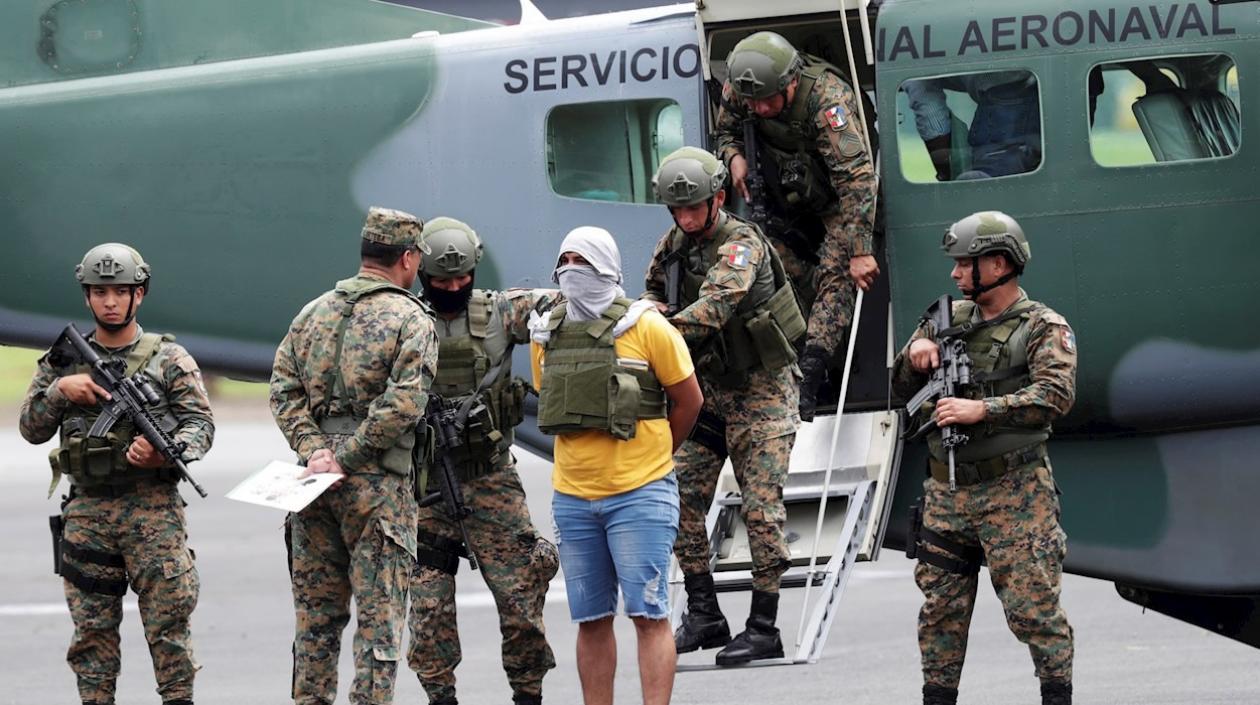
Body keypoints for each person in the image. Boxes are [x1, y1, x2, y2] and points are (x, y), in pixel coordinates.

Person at [891, 211, 1076, 705]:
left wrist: (983, 409)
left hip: (1015, 495)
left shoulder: (1042, 326)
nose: (955, 274)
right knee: (939, 615)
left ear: (998, 264)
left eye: (964, 264)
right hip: (946, 493)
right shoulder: (944, 320)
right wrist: (916, 354)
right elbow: (896, 390)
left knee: (1034, 612)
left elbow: (1055, 396)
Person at [19, 243, 214, 705]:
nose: (110, 301)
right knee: (92, 637)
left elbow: (200, 424)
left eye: (120, 291)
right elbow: (31, 428)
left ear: (139, 295)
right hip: (87, 513)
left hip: (154, 514)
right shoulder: (63, 362)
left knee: (169, 631)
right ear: (87, 297)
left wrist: (167, 454)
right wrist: (61, 392)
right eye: (100, 291)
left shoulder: (170, 358)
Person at [642, 146, 805, 665]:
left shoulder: (740, 244)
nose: (686, 219)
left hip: (763, 391)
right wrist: (649, 313)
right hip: (711, 392)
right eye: (677, 210)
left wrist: (651, 330)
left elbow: (715, 306)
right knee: (678, 497)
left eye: (694, 208)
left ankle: (765, 625)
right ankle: (705, 612)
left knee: (760, 509)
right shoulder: (673, 245)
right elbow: (651, 294)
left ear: (718, 198)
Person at [270, 207, 439, 705]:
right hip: (378, 491)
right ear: (407, 258)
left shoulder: (313, 312)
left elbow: (283, 392)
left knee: (315, 625)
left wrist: (316, 451)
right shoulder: (411, 316)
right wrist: (348, 456)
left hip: (313, 486)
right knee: (379, 627)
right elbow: (405, 402)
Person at [530, 226, 702, 705]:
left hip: (640, 493)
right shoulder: (547, 333)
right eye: (564, 261)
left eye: (582, 262)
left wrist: (656, 457)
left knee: (649, 615)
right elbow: (553, 400)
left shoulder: (647, 327)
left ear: (607, 267)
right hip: (573, 498)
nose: (571, 272)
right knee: (590, 619)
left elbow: (688, 401)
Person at [406, 217, 559, 705]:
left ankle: (528, 693)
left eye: (461, 279)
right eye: (441, 281)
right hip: (426, 487)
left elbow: (560, 302)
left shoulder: (499, 312)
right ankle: (440, 696)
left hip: (491, 478)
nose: (453, 288)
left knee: (521, 598)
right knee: (427, 610)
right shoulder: (401, 320)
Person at [715, 30, 879, 420]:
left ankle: (812, 376)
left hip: (842, 199)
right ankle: (793, 355)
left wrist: (860, 250)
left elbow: (856, 179)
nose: (762, 109)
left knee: (836, 275)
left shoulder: (827, 98)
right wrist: (733, 156)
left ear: (790, 82)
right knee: (773, 268)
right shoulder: (741, 89)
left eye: (769, 100)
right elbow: (726, 130)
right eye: (753, 102)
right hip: (785, 195)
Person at [902, 72, 1041, 181]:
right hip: (1041, 89)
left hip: (1003, 101)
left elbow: (923, 94)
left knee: (977, 188)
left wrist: (947, 172)